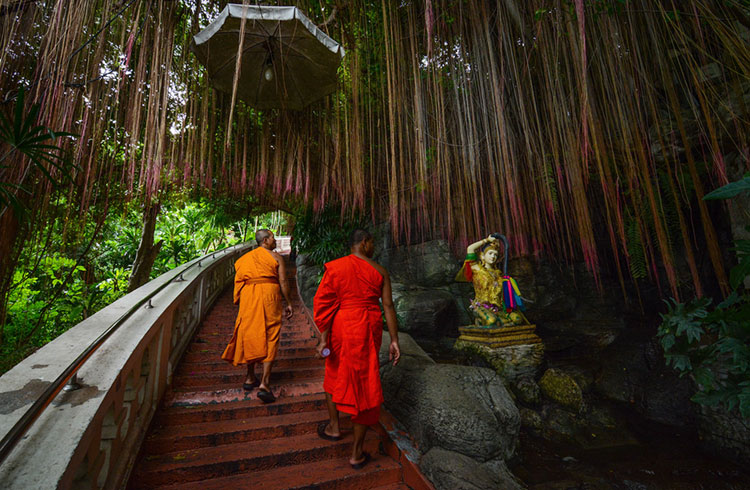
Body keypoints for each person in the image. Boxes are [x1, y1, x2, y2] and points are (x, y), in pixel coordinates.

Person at [313, 229, 401, 470]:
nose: (373, 247)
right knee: (366, 382)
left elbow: (323, 304)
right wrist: (394, 340)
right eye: (372, 243)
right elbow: (388, 306)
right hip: (368, 325)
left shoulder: (336, 267)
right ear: (365, 242)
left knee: (333, 372)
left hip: (342, 325)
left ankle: (334, 427)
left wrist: (324, 337)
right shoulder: (380, 271)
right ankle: (356, 453)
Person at [221, 229, 293, 403]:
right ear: (266, 241)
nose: (275, 241)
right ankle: (265, 383)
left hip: (249, 296)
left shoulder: (244, 259)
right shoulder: (276, 258)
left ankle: (249, 377)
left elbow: (238, 281)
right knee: (271, 334)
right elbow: (283, 281)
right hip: (269, 294)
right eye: (273, 238)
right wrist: (289, 302)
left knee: (250, 332)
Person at [458, 235, 523, 327]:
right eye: (490, 253)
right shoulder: (477, 269)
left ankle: (499, 323)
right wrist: (486, 240)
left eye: (495, 254)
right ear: (482, 256)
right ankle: (484, 321)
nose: (493, 256)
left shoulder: (499, 275)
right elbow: (470, 249)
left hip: (497, 309)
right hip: (481, 307)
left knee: (517, 319)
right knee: (491, 321)